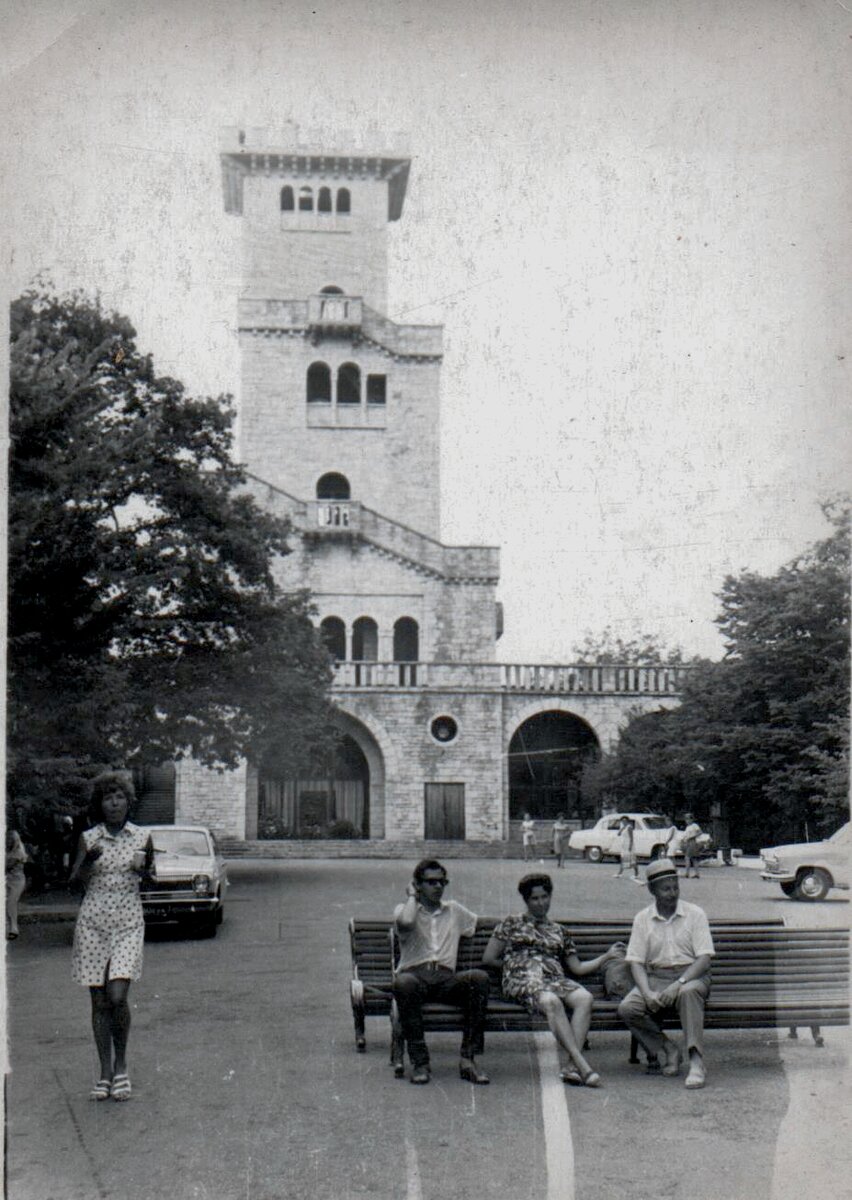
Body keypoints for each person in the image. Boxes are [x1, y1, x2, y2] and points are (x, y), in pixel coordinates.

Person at [483, 873, 624, 1087]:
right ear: (526, 900)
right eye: (535, 898)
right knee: (551, 1002)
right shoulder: (511, 923)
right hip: (522, 980)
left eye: (544, 897)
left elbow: (576, 967)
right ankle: (581, 1065)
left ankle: (570, 1067)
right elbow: (489, 958)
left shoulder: (560, 931)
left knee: (584, 998)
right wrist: (517, 966)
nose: (541, 903)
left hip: (554, 980)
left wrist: (607, 956)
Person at [69, 772, 153, 1102]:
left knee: (117, 996)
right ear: (100, 804)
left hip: (128, 923)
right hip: (92, 924)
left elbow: (150, 880)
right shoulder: (89, 839)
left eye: (119, 797)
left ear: (128, 802)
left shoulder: (141, 836)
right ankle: (105, 1073)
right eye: (108, 798)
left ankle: (122, 1066)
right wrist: (88, 863)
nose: (114, 803)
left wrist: (144, 871)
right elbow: (73, 882)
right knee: (98, 1000)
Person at [617, 858, 714, 1089]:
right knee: (628, 1008)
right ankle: (668, 1049)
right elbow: (636, 962)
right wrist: (647, 992)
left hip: (691, 976)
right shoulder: (642, 919)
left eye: (675, 887)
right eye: (666, 889)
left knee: (688, 993)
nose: (672, 893)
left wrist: (679, 983)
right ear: (652, 890)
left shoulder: (695, 914)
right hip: (657, 977)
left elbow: (704, 959)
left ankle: (696, 1062)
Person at [392, 859, 491, 1085]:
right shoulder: (405, 910)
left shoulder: (454, 910)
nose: (437, 887)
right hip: (415, 978)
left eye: (442, 882)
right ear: (417, 885)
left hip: (446, 979)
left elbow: (482, 923)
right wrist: (411, 897)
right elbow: (406, 923)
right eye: (430, 882)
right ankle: (420, 1063)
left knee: (479, 979)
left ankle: (468, 1060)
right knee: (404, 983)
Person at [5, 829, 28, 940]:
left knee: (11, 903)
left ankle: (13, 928)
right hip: (7, 880)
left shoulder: (18, 852)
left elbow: (7, 866)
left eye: (10, 839)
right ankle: (9, 928)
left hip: (16, 882)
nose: (8, 841)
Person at [613, 817, 641, 883]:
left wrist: (630, 846)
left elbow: (631, 838)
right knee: (623, 859)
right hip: (624, 845)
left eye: (625, 821)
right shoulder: (623, 827)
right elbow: (618, 834)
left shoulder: (629, 827)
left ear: (627, 821)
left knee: (632, 860)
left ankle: (636, 873)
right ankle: (620, 873)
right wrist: (622, 828)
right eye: (622, 821)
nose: (623, 822)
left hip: (628, 845)